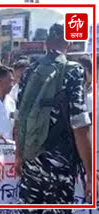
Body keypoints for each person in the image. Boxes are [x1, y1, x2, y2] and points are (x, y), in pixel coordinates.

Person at [14, 24, 92, 213]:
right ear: (70, 43)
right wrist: (90, 173)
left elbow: (18, 119)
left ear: (47, 42)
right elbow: (79, 126)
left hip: (31, 161)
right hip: (60, 169)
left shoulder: (29, 72)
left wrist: (18, 155)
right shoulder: (74, 71)